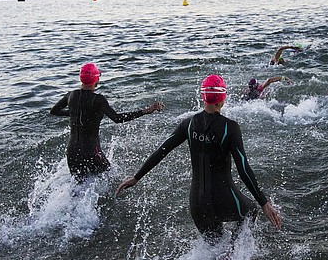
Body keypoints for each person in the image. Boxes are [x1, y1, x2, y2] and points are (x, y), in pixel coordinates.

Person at [116, 75, 282, 239]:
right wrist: (264, 203)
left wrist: (136, 177)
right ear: (223, 97)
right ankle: (232, 252)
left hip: (197, 206)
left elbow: (162, 150)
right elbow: (243, 169)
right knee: (251, 211)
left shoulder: (188, 124)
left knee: (214, 250)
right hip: (225, 199)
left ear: (203, 96)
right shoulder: (230, 127)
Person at [50, 62, 163, 178]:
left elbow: (54, 111)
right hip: (91, 151)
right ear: (95, 79)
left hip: (72, 152)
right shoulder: (98, 100)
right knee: (108, 178)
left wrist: (75, 113)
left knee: (77, 187)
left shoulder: (71, 95)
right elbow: (117, 118)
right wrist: (146, 111)